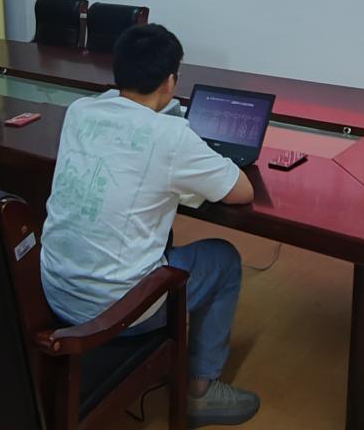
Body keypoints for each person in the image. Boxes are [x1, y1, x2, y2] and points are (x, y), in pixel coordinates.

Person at [40, 23, 260, 428]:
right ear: (171, 81)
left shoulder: (79, 112)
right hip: (115, 312)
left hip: (54, 292)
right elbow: (241, 191)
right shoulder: (171, 136)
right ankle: (201, 392)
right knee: (224, 259)